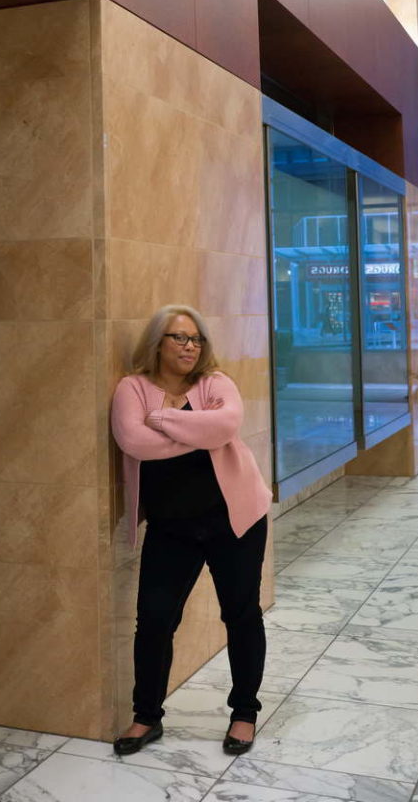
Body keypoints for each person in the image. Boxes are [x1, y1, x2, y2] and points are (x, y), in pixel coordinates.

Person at [111, 304, 272, 758]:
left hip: (235, 519)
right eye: (179, 338)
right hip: (171, 526)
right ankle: (145, 717)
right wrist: (194, 430)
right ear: (157, 343)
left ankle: (244, 713)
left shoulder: (214, 383)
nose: (190, 346)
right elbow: (132, 441)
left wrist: (161, 419)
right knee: (155, 621)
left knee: (241, 615)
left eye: (196, 339)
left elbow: (224, 426)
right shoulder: (132, 388)